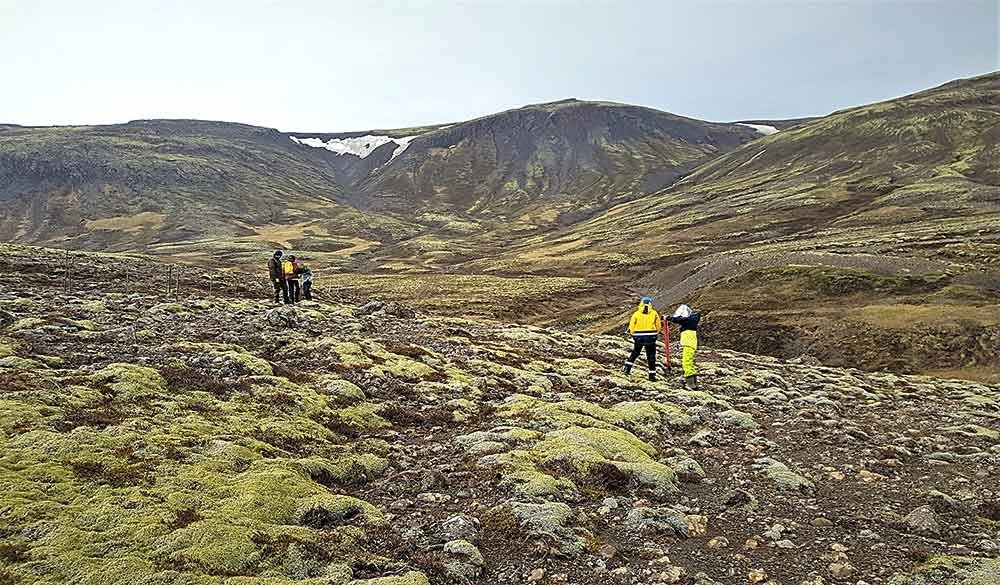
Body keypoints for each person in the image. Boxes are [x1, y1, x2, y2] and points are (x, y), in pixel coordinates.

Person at [624, 296, 661, 382]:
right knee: (651, 356)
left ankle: (627, 369)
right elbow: (658, 326)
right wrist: (655, 333)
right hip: (651, 337)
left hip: (639, 336)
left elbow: (632, 325)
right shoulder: (654, 313)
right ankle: (652, 376)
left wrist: (634, 335)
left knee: (635, 352)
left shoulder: (636, 314)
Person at [666, 304, 701, 389]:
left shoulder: (689, 321)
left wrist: (669, 318)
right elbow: (680, 320)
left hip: (689, 344)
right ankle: (694, 383)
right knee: (689, 362)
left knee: (686, 362)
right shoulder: (692, 319)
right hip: (690, 343)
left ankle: (691, 384)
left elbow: (679, 320)